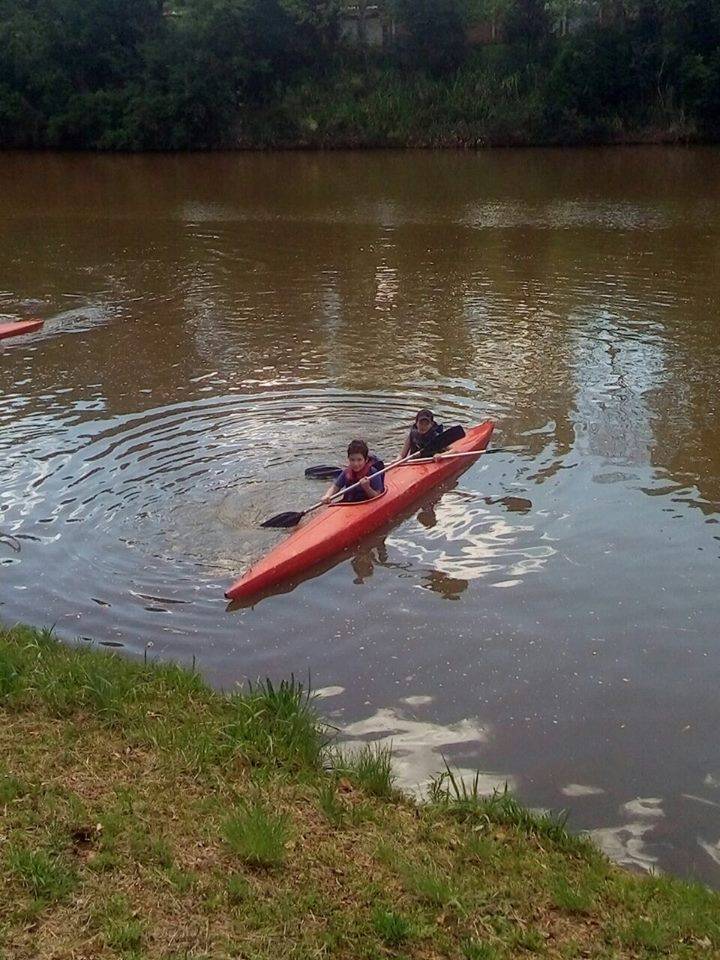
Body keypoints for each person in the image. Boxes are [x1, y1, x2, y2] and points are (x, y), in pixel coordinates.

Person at [322, 440, 385, 504]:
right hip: (350, 503)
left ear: (366, 460)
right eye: (352, 460)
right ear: (348, 459)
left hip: (366, 503)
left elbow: (377, 496)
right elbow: (335, 487)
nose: (355, 464)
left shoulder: (373, 473)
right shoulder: (346, 472)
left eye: (359, 460)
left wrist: (367, 487)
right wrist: (328, 495)